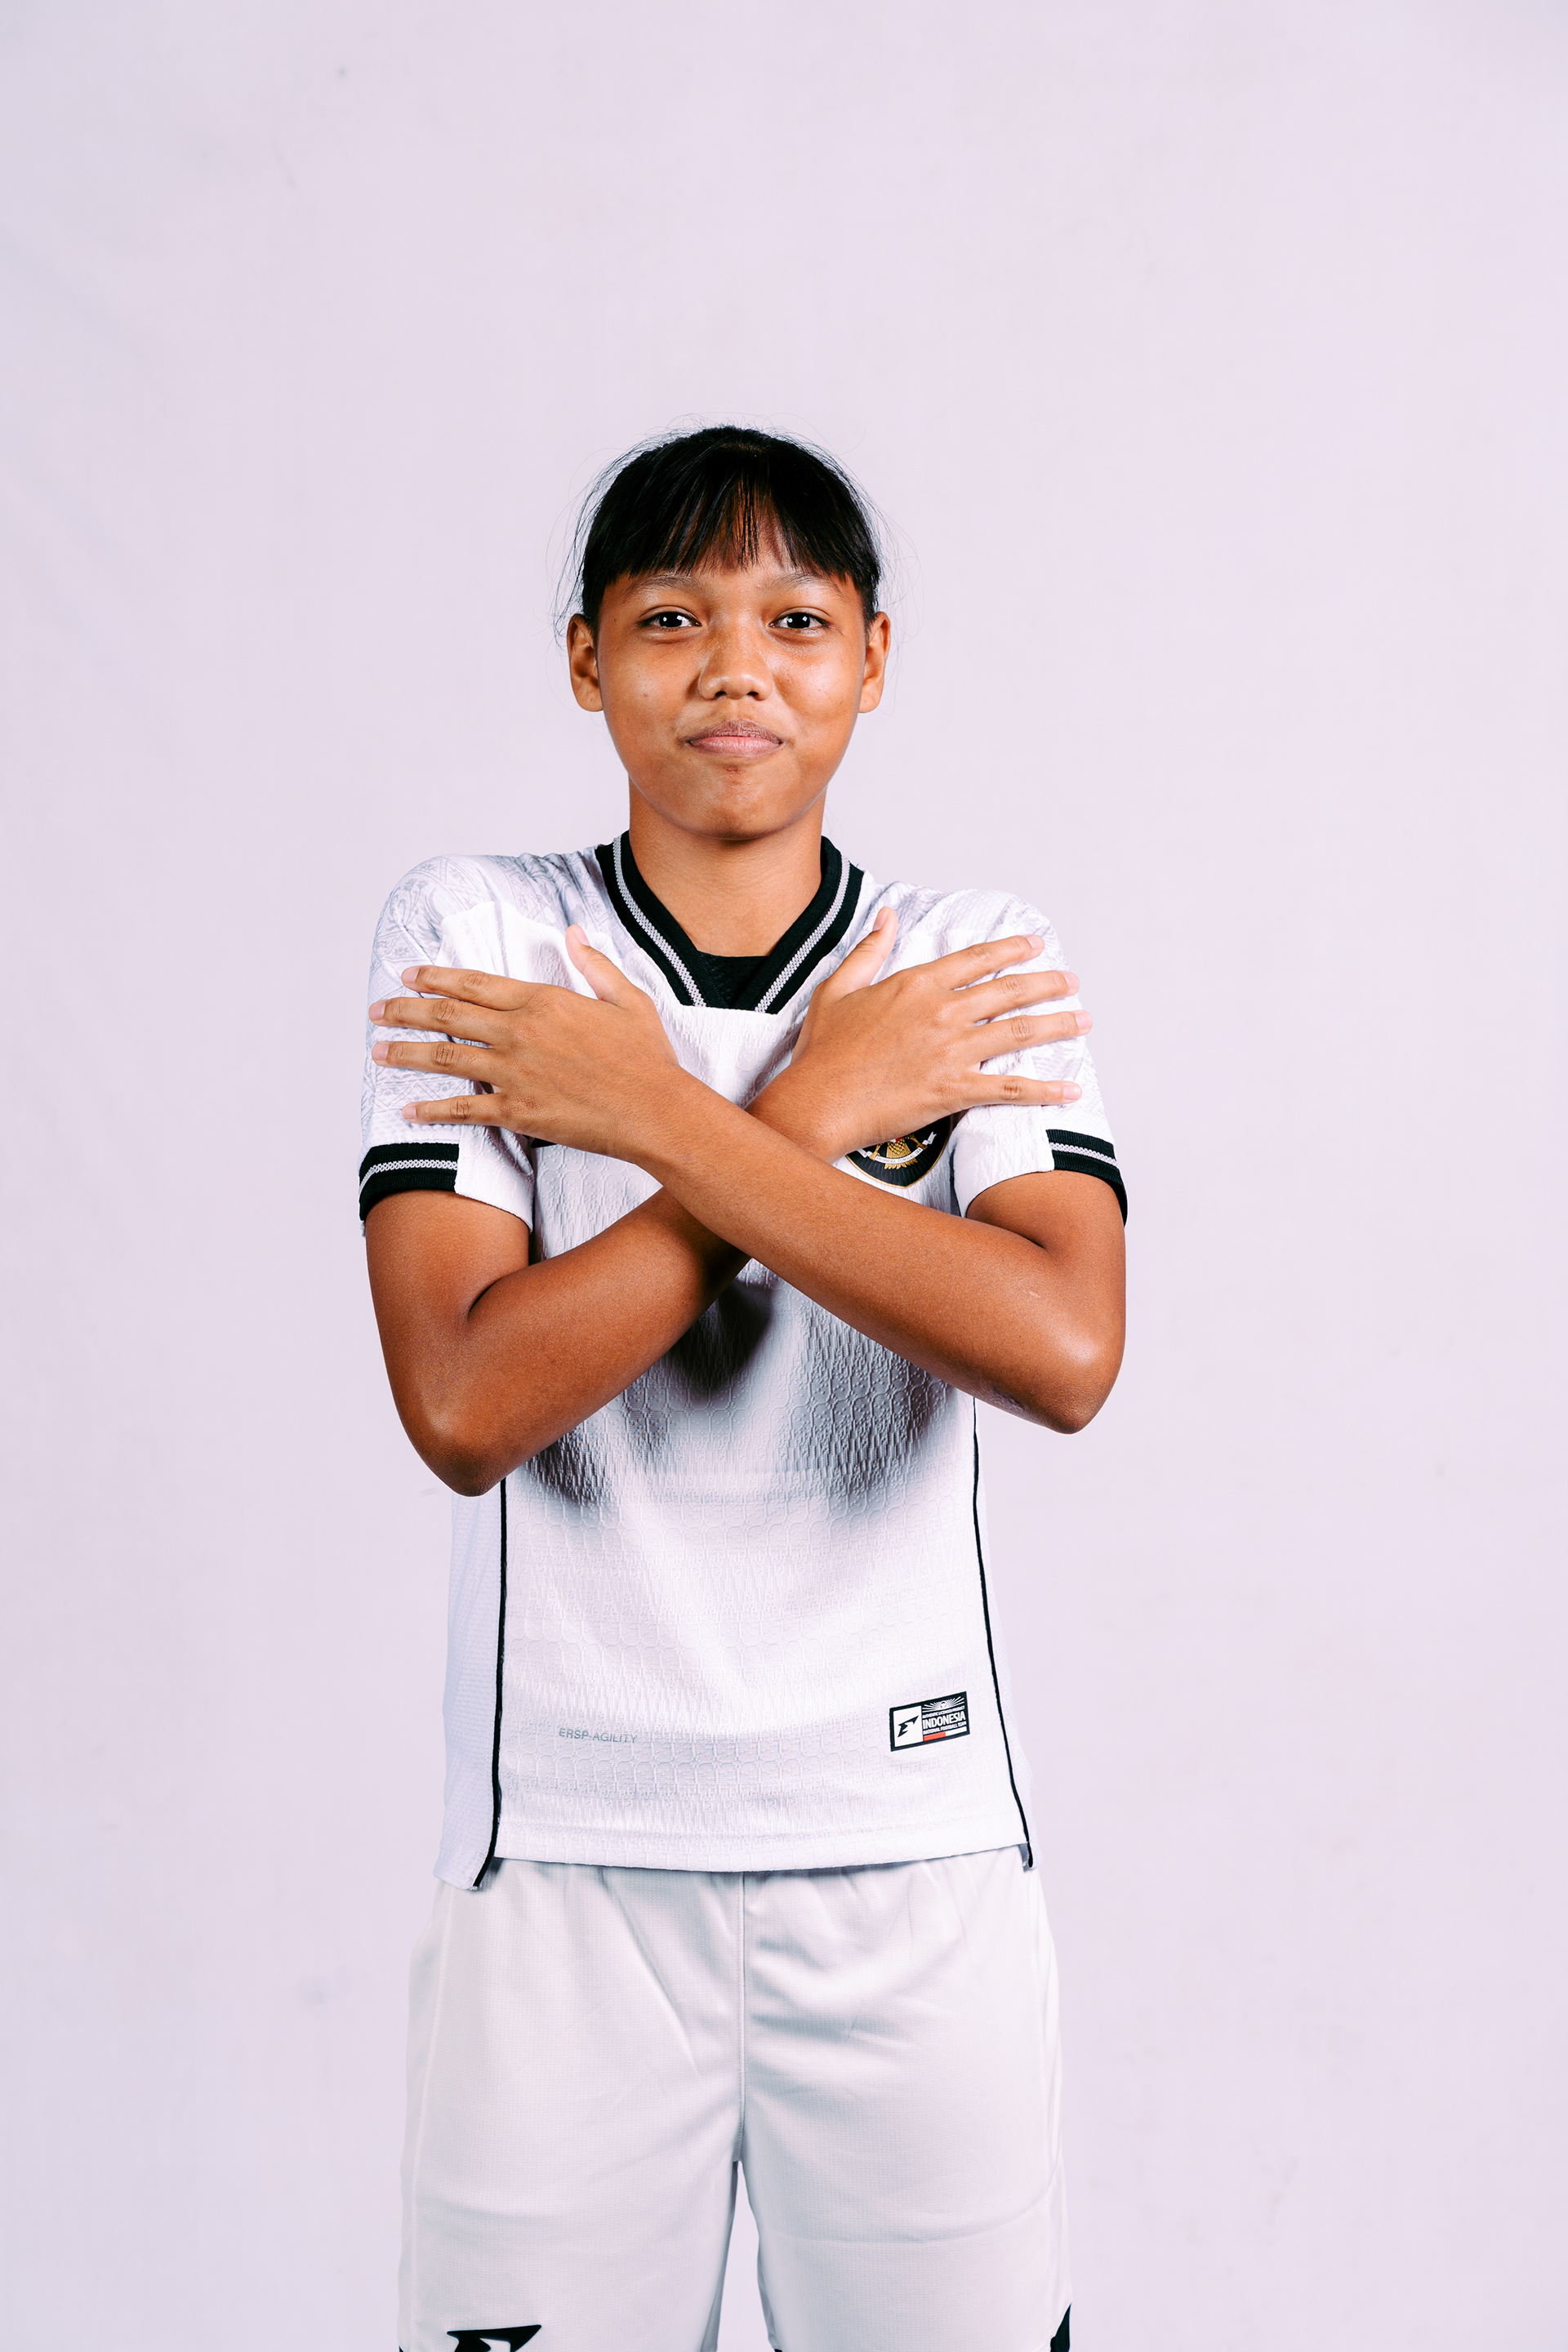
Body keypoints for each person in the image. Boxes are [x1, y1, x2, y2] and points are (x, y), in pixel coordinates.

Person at [360, 426, 1125, 2352]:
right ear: (584, 657)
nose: (735, 668)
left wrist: (661, 1120)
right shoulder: (485, 940)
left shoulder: (959, 966)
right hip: (569, 1851)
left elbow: (1061, 1349)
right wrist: (812, 1122)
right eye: (670, 618)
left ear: (874, 657)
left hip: (912, 1840)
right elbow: (466, 1400)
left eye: (795, 620)